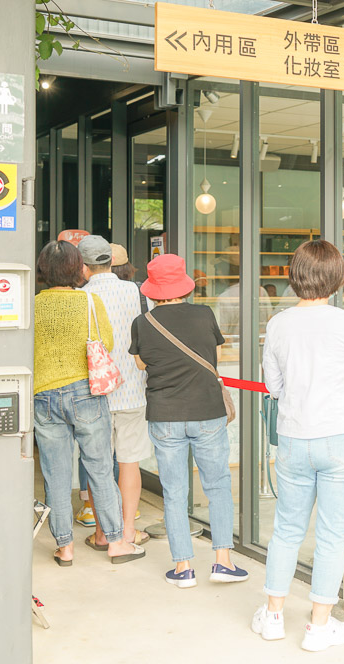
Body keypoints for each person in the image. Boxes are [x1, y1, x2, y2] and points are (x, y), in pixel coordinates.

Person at [253, 240, 344, 651]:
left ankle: (273, 616)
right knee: (332, 533)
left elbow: (272, 386)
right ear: (337, 278)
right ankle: (319, 626)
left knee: (287, 529)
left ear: (294, 278)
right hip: (342, 438)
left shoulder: (277, 324)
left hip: (294, 438)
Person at [130, 254, 247, 588]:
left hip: (165, 416)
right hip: (207, 411)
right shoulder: (203, 314)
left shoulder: (144, 322)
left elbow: (140, 365)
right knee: (218, 486)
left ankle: (183, 568)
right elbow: (218, 355)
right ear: (182, 284)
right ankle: (223, 561)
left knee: (175, 490)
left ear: (153, 290)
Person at [32, 241, 144, 566]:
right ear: (76, 269)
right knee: (99, 468)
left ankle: (64, 546)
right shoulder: (89, 302)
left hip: (45, 396)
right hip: (85, 393)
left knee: (55, 472)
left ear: (43, 271)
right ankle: (115, 542)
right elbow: (106, 343)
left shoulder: (34, 306)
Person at [78, 236, 152, 550]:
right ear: (112, 261)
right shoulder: (135, 292)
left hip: (94, 394)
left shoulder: (80, 298)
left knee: (99, 464)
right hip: (133, 391)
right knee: (129, 463)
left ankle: (100, 533)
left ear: (83, 267)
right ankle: (128, 532)